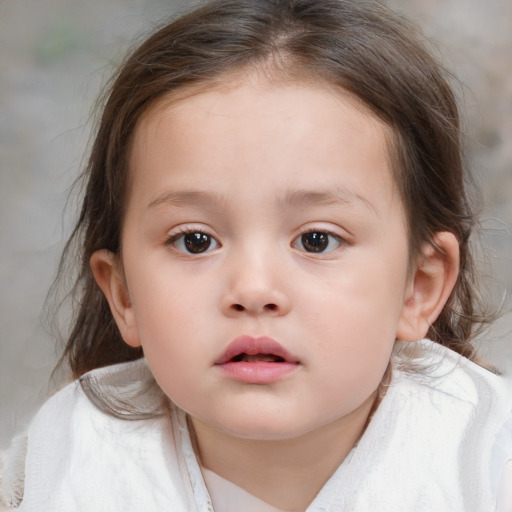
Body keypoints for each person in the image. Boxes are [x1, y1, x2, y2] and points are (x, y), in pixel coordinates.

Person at [1, 0, 510, 510]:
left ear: (418, 288)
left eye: (317, 240)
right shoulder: (61, 465)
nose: (253, 290)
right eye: (195, 240)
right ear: (124, 293)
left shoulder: (485, 464)